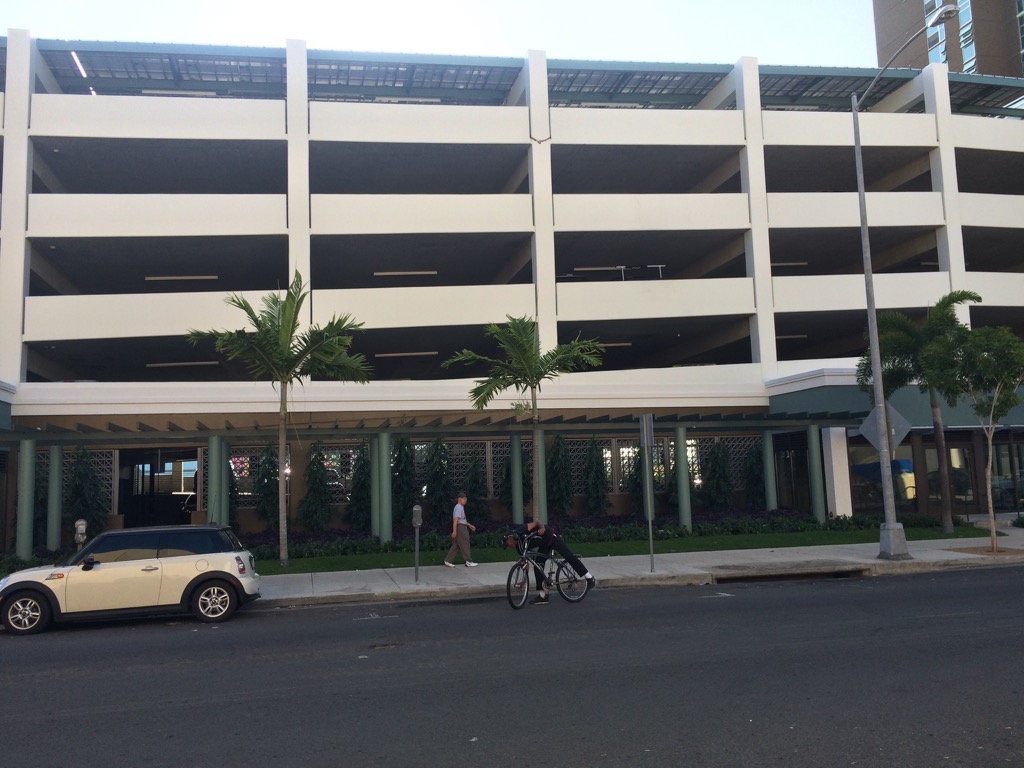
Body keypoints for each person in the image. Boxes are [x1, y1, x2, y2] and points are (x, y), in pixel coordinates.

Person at [515, 518, 595, 604]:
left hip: (551, 536)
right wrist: (523, 581)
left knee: (568, 555)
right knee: (538, 565)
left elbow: (537, 521)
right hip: (544, 544)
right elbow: (525, 563)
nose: (509, 546)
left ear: (510, 538)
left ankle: (589, 577)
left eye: (508, 544)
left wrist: (542, 528)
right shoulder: (519, 546)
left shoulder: (521, 530)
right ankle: (543, 596)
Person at [444, 491, 478, 567]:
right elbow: (456, 520)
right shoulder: (459, 507)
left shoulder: (460, 507)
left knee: (457, 544)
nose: (465, 500)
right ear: (460, 499)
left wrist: (469, 525)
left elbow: (462, 520)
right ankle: (468, 561)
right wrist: (454, 531)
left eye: (466, 499)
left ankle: (448, 560)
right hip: (461, 528)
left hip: (461, 526)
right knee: (465, 543)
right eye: (464, 498)